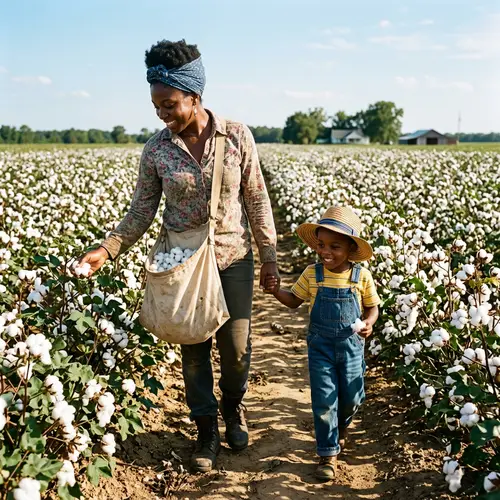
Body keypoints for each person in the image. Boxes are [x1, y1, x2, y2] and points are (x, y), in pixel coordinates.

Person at [78, 39, 279, 473]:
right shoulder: (156, 150)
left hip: (233, 257)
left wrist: (269, 258)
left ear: (194, 96)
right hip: (183, 260)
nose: (162, 113)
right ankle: (206, 432)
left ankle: (233, 407)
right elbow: (141, 210)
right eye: (156, 106)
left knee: (237, 352)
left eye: (169, 104)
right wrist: (106, 249)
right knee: (193, 350)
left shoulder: (237, 136)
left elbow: (258, 199)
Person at [265, 206, 379, 482]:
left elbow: (372, 307)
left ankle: (342, 426)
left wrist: (369, 323)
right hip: (321, 349)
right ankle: (328, 454)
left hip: (352, 347)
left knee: (351, 397)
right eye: (322, 245)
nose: (326, 251)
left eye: (334, 246)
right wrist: (275, 290)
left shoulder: (361, 276)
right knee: (324, 400)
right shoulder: (311, 274)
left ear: (351, 250)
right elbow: (293, 301)